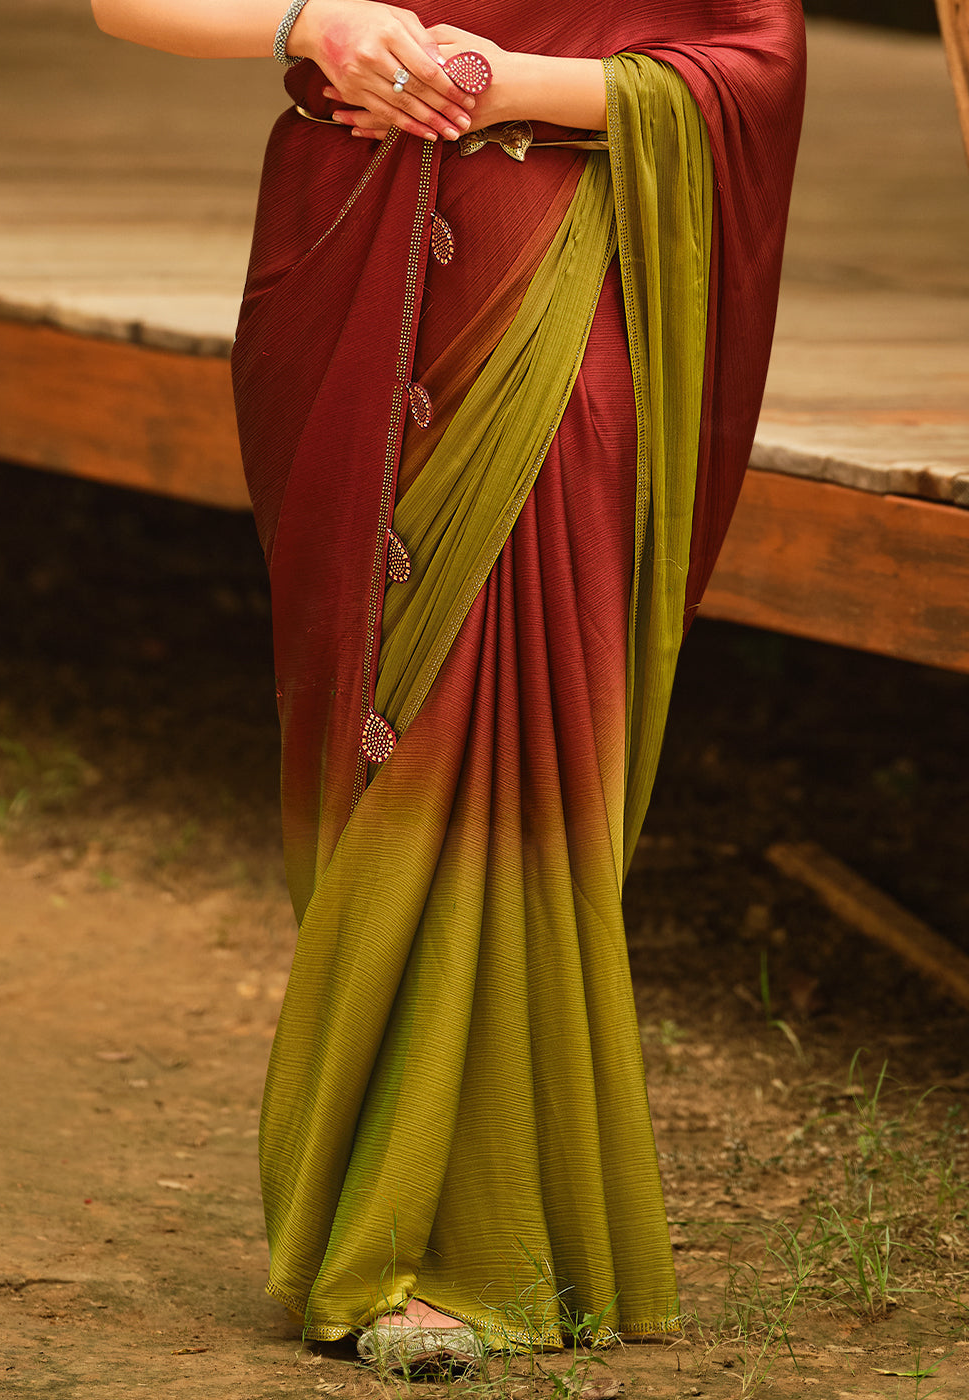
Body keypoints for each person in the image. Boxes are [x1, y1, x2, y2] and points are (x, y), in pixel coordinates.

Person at [92, 0, 805, 1370]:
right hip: (345, 263)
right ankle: (388, 1204)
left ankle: (441, 1246)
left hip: (559, 279)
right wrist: (312, 21)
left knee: (491, 716)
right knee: (369, 721)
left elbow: (755, 64)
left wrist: (493, 79)